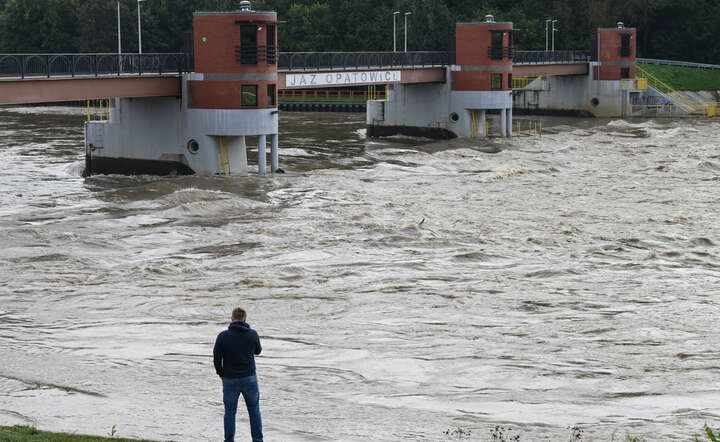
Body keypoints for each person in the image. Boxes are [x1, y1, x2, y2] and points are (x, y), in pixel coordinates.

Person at [213, 307, 263, 442]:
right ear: (245, 319)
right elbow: (258, 351)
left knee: (230, 413)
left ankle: (229, 440)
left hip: (229, 379)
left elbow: (217, 358)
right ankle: (257, 440)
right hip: (249, 378)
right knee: (254, 411)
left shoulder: (223, 336)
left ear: (232, 319)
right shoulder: (252, 334)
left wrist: (221, 374)